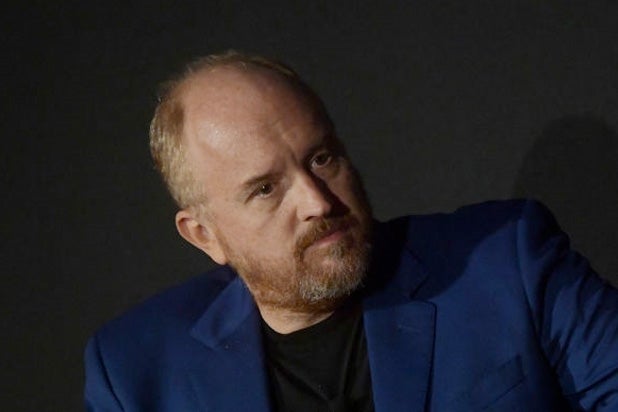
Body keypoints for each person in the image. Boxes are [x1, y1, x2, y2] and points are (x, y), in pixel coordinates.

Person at [84, 51, 618, 411]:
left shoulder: (509, 262)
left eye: (321, 158)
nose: (318, 201)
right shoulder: (135, 372)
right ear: (205, 235)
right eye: (265, 189)